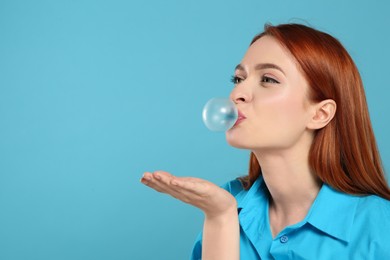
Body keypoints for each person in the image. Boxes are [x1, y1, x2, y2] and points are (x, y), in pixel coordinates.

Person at [140, 23, 390, 259]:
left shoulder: (380, 227)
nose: (237, 94)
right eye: (238, 79)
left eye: (268, 79)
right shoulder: (226, 204)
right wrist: (220, 218)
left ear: (319, 114)